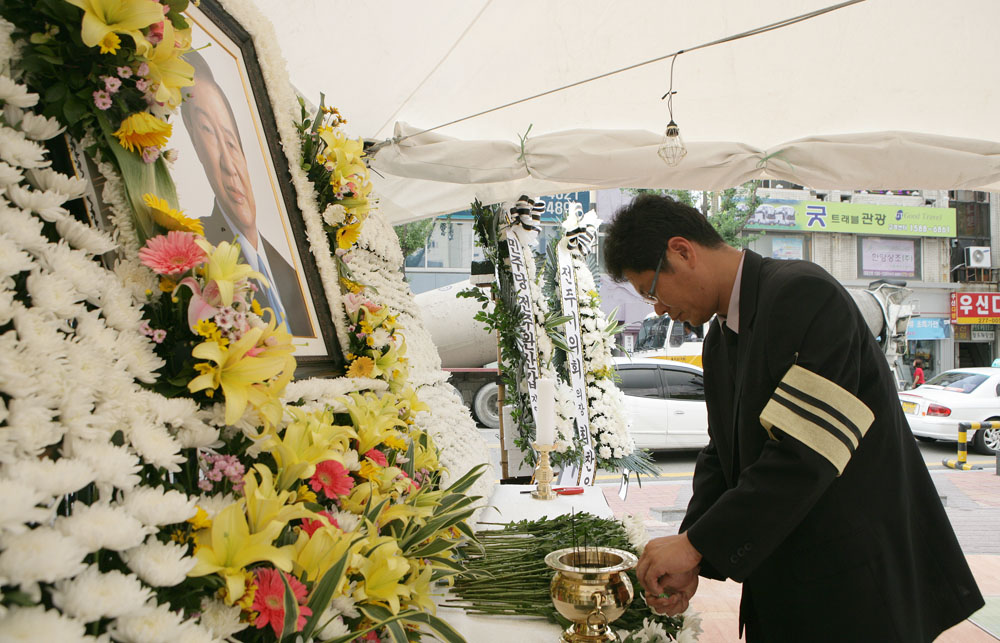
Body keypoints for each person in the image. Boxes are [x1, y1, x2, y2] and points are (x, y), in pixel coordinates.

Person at [602, 194, 983, 642]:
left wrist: (695, 545)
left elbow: (805, 453)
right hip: (786, 585)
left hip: (853, 591)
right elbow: (720, 455)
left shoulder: (804, 294)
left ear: (682, 251)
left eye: (651, 290)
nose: (658, 308)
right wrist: (695, 555)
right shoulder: (720, 338)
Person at [180, 51, 311, 336]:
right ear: (194, 144)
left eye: (230, 141)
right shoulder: (198, 250)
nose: (229, 165)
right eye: (208, 134)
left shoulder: (292, 274)